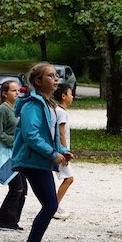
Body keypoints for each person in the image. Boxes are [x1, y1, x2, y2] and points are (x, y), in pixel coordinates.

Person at [13, 63, 73, 242]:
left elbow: (50, 135)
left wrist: (62, 150)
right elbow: (31, 135)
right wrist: (52, 154)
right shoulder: (32, 105)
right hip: (32, 161)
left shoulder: (49, 105)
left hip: (40, 160)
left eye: (56, 75)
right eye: (50, 76)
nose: (56, 79)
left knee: (50, 205)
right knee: (50, 205)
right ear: (38, 81)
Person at [0, 81, 27, 231]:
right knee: (17, 187)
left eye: (18, 90)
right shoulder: (3, 109)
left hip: (17, 153)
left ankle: (13, 220)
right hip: (7, 153)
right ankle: (2, 221)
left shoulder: (16, 108)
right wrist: (14, 142)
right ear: (5, 93)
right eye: (13, 90)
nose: (17, 93)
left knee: (23, 189)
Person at [53, 83, 74, 220]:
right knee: (69, 178)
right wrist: (66, 152)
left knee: (67, 178)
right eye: (70, 94)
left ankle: (53, 204)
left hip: (59, 150)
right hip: (60, 151)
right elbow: (61, 133)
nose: (72, 97)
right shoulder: (61, 112)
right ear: (63, 96)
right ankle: (53, 206)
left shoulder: (58, 110)